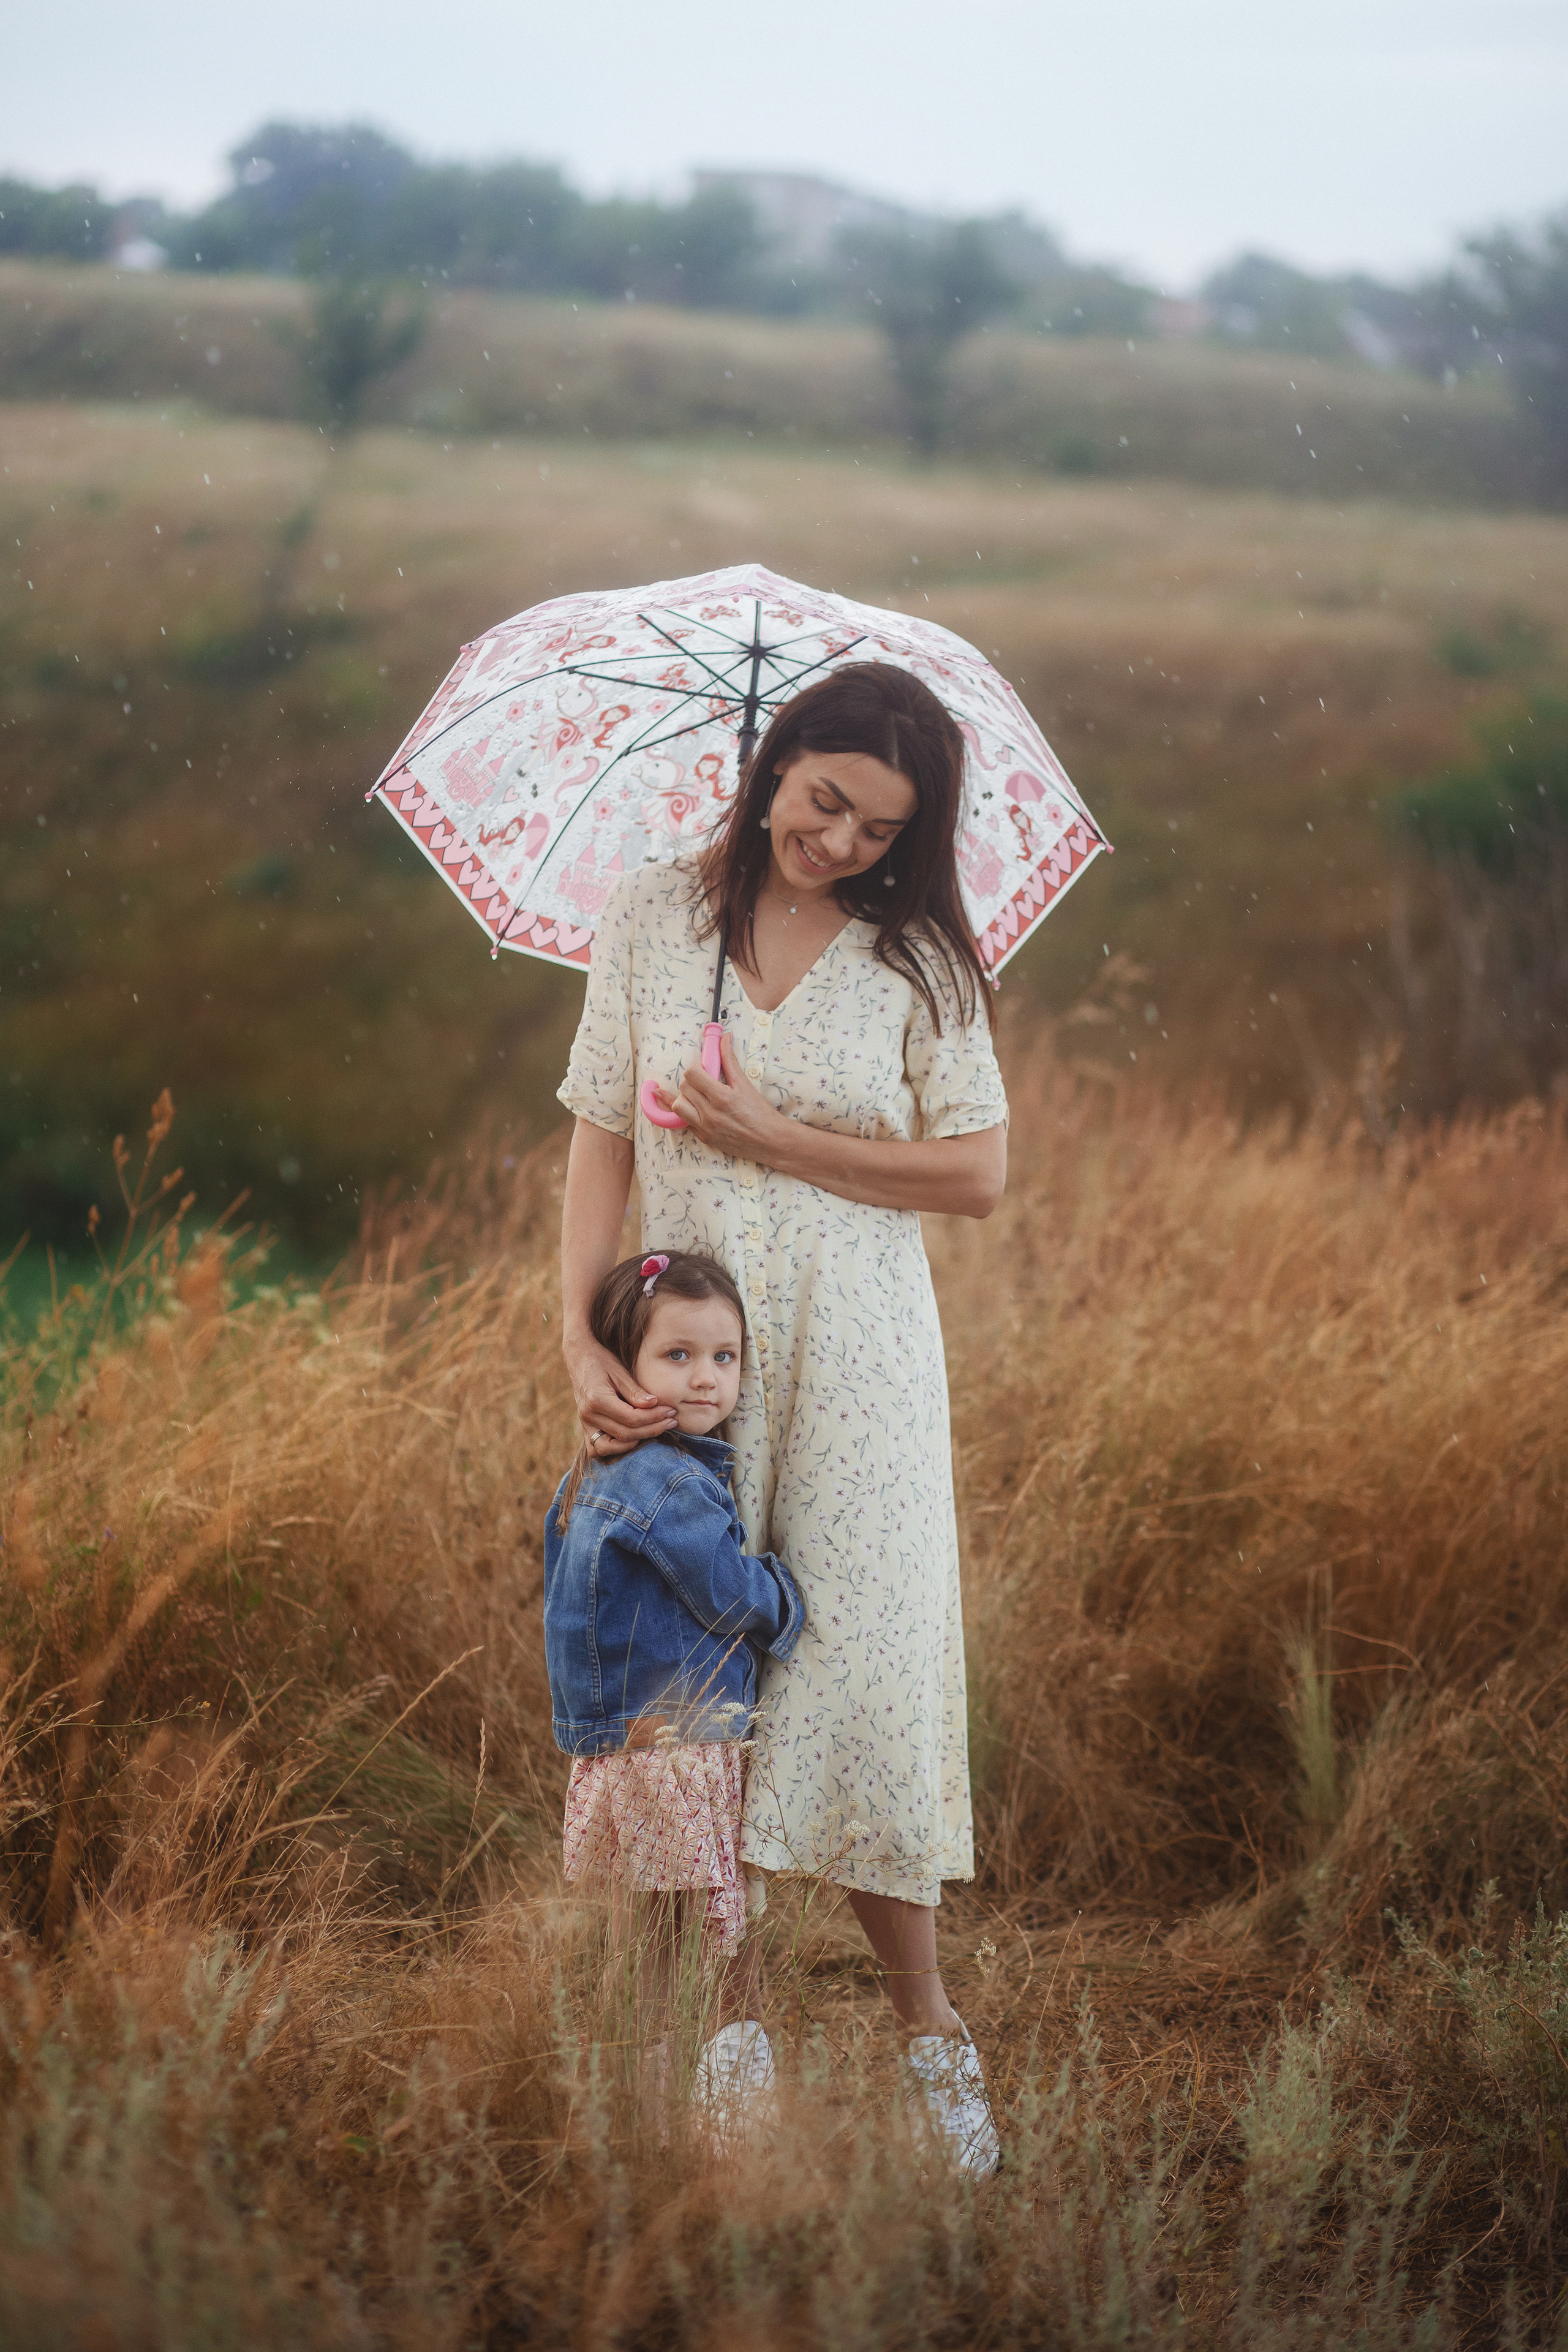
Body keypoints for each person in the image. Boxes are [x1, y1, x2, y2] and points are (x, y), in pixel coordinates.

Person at [558, 661, 1006, 2174]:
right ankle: (731, 2024)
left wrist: (778, 1136)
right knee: (687, 1692)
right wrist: (577, 1340)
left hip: (862, 1359)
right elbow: (599, 1141)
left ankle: (931, 2035)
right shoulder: (652, 917)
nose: (839, 844)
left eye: (877, 828)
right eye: (823, 803)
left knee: (870, 1671)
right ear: (772, 765)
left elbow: (977, 1174)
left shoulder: (921, 962)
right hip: (681, 1366)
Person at [544, 1246, 804, 2139]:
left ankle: (639, 2108)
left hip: (622, 1744)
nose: (706, 1380)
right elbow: (731, 1594)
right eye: (678, 1356)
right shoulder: (675, 1485)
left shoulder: (593, 1472)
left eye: (724, 1358)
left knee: (648, 1940)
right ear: (624, 1361)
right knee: (701, 1935)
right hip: (681, 1748)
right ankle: (706, 2113)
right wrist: (788, 1597)